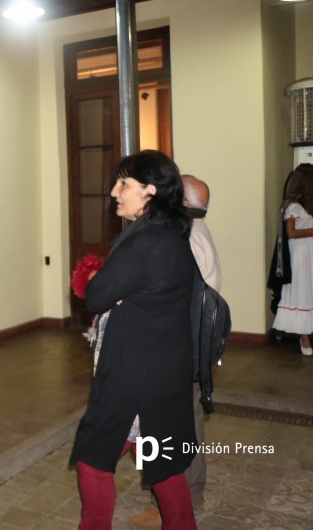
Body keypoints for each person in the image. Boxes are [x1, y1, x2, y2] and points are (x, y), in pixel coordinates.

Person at [69, 150, 198, 530]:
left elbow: (95, 297)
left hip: (133, 375)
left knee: (94, 457)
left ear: (150, 191)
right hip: (163, 370)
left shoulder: (143, 243)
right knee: (163, 461)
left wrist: (99, 281)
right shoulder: (173, 235)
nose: (113, 192)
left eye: (124, 183)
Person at [129, 173, 222, 528]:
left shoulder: (182, 236)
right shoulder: (195, 230)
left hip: (178, 347)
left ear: (183, 202)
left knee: (174, 425)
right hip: (191, 344)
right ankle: (182, 495)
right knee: (183, 421)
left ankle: (175, 500)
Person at [272, 163, 313, 356]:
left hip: (309, 251)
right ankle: (303, 336)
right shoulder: (293, 205)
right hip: (300, 255)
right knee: (302, 293)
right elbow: (292, 233)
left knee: (309, 293)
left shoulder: (308, 203)